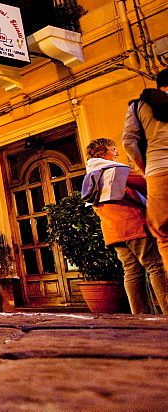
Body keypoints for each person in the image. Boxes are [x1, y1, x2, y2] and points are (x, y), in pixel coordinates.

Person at [83, 138, 168, 313]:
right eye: (113, 149)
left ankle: (140, 316)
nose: (117, 153)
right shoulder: (116, 170)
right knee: (155, 266)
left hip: (113, 231)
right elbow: (148, 184)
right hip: (134, 225)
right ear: (102, 153)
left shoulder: (92, 176)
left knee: (132, 271)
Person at [123, 69, 168, 270]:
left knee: (164, 235)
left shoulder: (138, 106)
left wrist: (145, 170)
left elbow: (128, 142)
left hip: (158, 172)